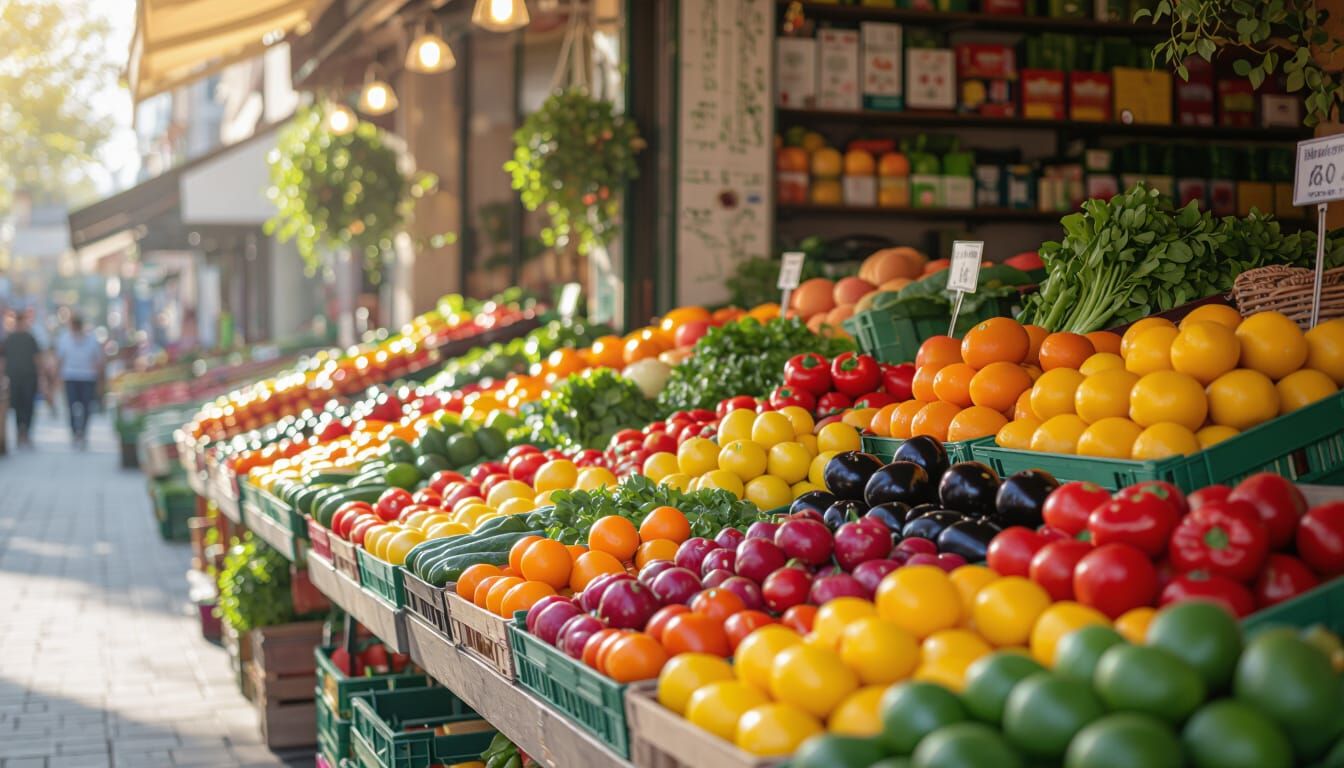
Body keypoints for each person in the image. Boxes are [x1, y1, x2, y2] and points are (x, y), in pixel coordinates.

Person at [55, 314, 104, 447]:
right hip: (70, 377)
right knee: (71, 407)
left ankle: (83, 432)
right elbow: (60, 359)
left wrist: (100, 380)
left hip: (87, 377)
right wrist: (57, 378)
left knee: (86, 407)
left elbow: (98, 361)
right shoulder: (64, 339)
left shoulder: (91, 339)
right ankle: (75, 432)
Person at [1, 311, 41, 448]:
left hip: (29, 377)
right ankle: (20, 431)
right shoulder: (8, 339)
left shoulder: (30, 338)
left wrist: (41, 378)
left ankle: (26, 432)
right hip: (13, 378)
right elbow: (3, 359)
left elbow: (37, 359)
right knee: (17, 406)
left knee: (28, 405)